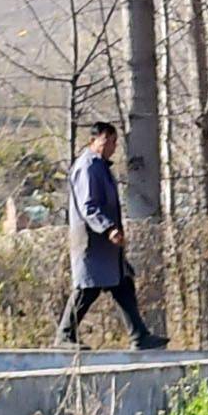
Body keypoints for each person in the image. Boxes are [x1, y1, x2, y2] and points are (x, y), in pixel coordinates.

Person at [58, 120, 165, 349]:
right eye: (107, 141)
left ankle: (139, 335)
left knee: (123, 284)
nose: (112, 146)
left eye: (114, 141)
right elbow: (89, 206)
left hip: (105, 245)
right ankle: (65, 335)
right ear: (93, 141)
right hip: (92, 240)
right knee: (88, 287)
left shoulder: (100, 166)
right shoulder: (88, 166)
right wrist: (108, 228)